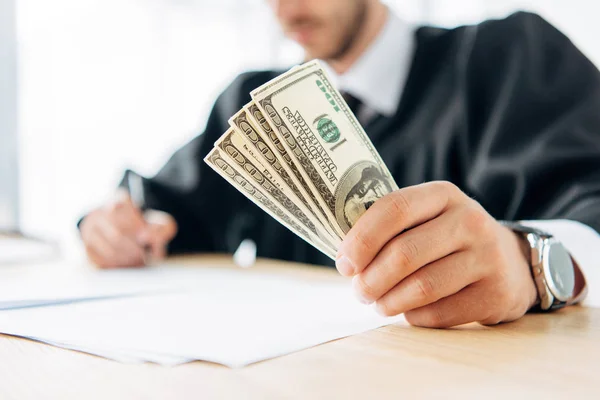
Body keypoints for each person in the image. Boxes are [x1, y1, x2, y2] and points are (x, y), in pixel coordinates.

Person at [79, 0, 600, 328]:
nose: (285, 11)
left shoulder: (509, 57)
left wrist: (532, 263)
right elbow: (171, 210)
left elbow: (589, 205)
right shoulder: (252, 108)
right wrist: (120, 225)